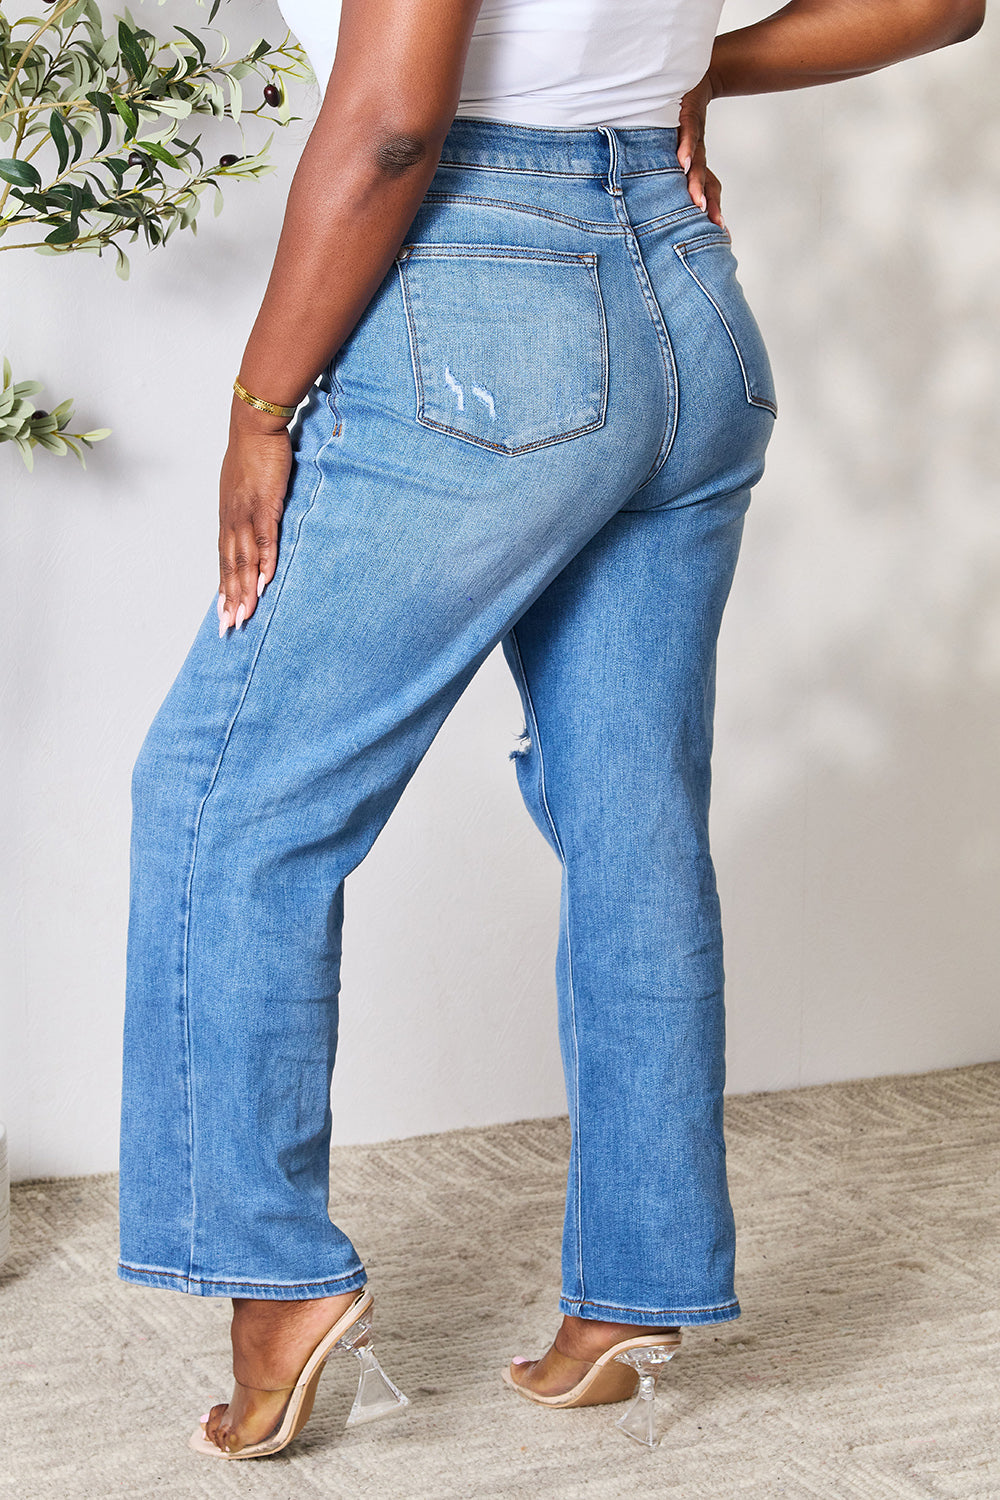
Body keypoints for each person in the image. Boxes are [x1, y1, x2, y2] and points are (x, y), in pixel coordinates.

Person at [117, 0, 985, 1459]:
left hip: (484, 283)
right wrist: (685, 66)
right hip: (685, 296)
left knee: (223, 799)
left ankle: (271, 1283)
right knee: (631, 809)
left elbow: (397, 117)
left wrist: (261, 405)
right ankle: (631, 1292)